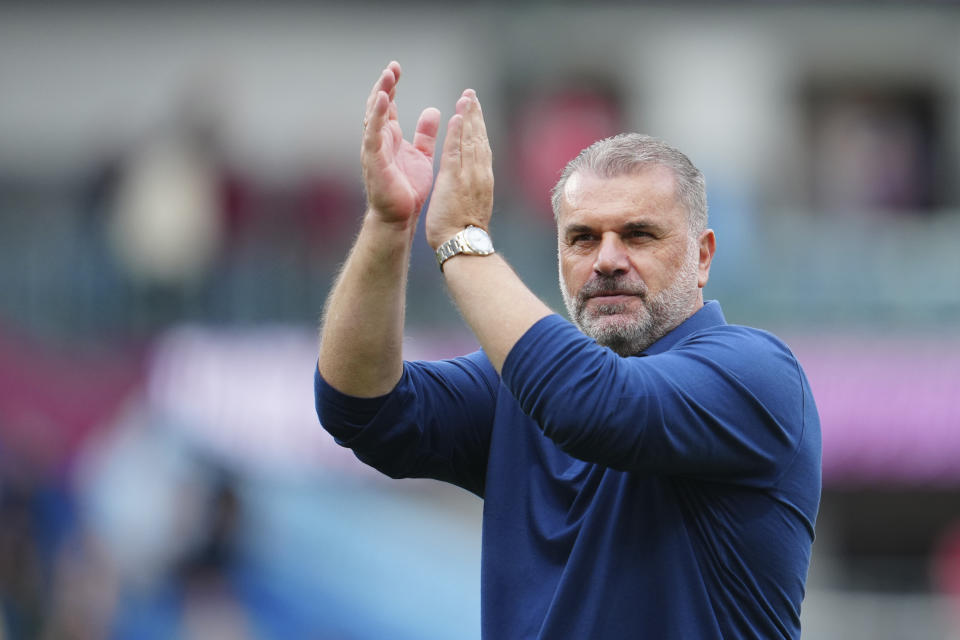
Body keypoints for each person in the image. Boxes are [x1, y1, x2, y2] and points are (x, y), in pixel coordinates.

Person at [314, 61, 821, 639]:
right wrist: (388, 224)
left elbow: (599, 407)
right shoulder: (524, 385)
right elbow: (360, 407)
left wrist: (462, 240)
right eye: (582, 238)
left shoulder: (756, 373)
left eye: (638, 235)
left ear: (702, 256)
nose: (606, 260)